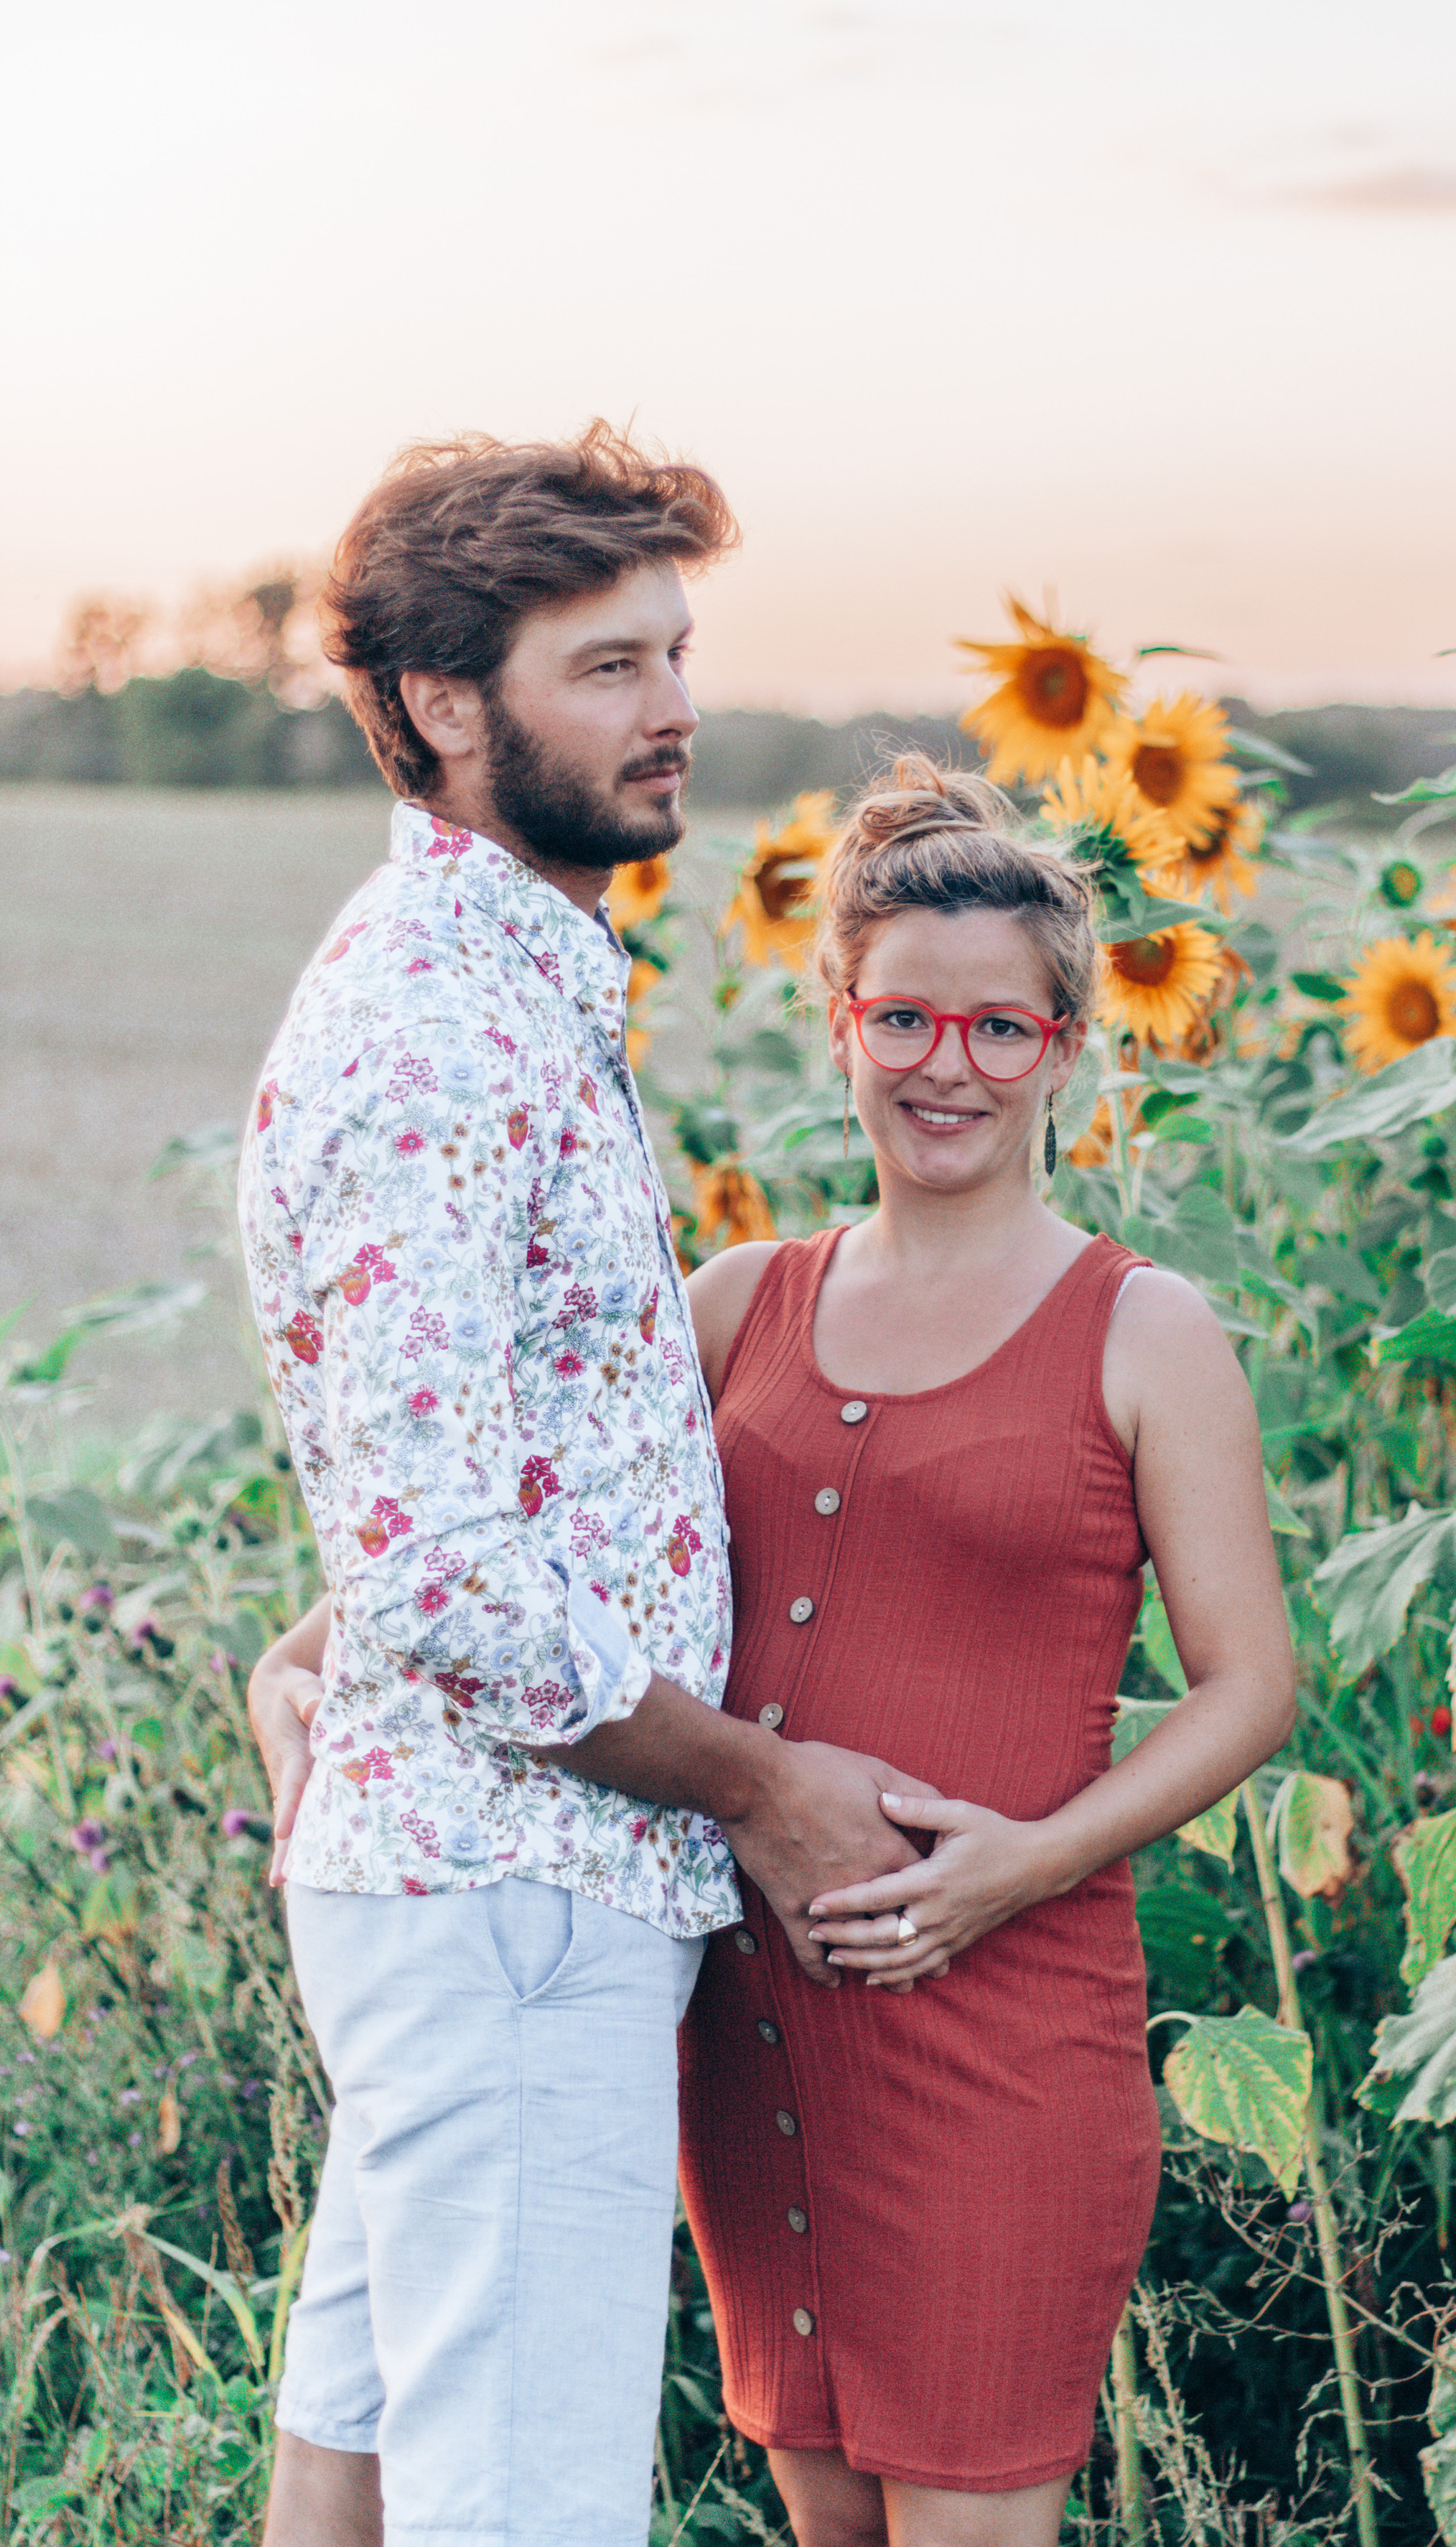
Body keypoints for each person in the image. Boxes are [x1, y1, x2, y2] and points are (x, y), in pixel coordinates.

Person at [239, 425, 928, 2547]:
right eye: (607, 668)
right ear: (445, 710)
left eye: (677, 655)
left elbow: (444, 1489)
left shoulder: (510, 983)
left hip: (476, 1865)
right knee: (522, 2510)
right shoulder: (441, 1023)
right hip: (516, 1890)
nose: (676, 713)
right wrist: (756, 1781)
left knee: (362, 2466)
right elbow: (445, 1572)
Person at [673, 762, 1297, 2547]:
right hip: (754, 2036)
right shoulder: (735, 1302)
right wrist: (310, 1654)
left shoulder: (1143, 1329)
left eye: (1000, 1029)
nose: (947, 1065)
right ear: (839, 1023)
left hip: (1003, 2036)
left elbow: (1249, 1686)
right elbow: (523, 1528)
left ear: (1066, 1046)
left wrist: (1020, 1865)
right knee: (825, 2515)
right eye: (905, 1017)